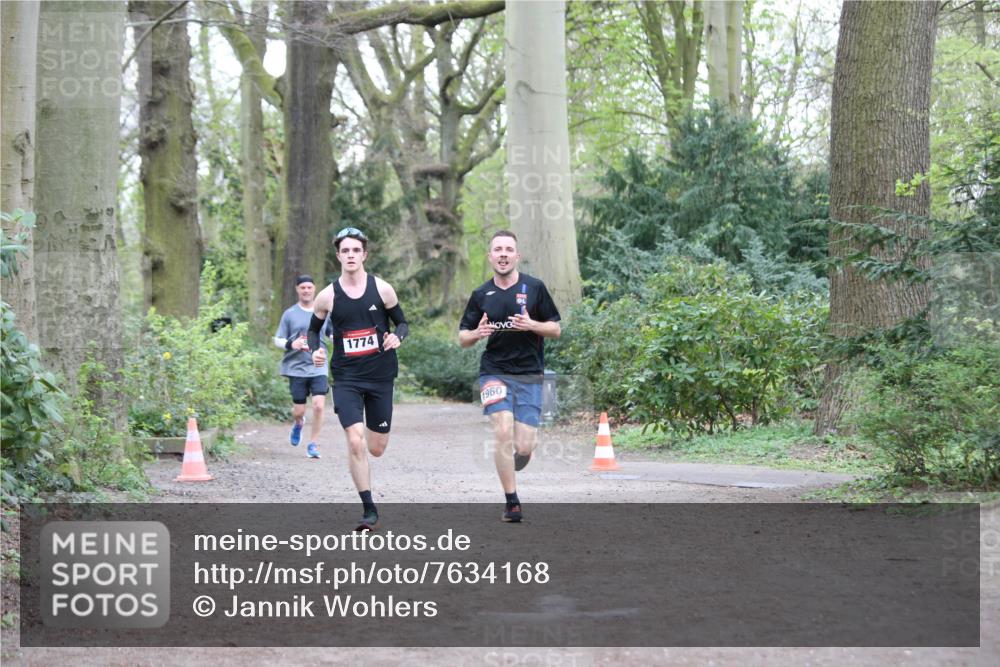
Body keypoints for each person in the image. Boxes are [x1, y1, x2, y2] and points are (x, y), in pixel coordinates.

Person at [309, 227, 409, 531]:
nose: (350, 255)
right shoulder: (327, 296)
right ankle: (369, 509)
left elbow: (402, 323)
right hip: (347, 378)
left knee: (376, 448)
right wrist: (316, 350)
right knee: (355, 441)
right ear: (338, 256)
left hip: (380, 377)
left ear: (364, 255)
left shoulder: (382, 289)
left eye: (356, 251)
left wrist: (397, 337)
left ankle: (365, 446)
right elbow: (314, 331)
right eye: (345, 251)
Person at [459, 230, 561, 523]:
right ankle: (511, 501)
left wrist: (532, 324)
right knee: (502, 429)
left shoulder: (535, 288)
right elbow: (463, 337)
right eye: (497, 249)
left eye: (508, 249)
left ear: (517, 256)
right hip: (494, 372)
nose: (503, 254)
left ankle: (519, 456)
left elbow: (555, 329)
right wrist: (477, 334)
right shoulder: (481, 295)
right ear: (490, 256)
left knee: (525, 445)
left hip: (529, 374)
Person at [274, 275, 331, 459]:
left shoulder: (323, 311)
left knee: (319, 406)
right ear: (297, 290)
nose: (306, 290)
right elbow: (277, 339)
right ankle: (298, 424)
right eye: (302, 287)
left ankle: (313, 444)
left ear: (314, 289)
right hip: (296, 367)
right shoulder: (289, 314)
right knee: (299, 411)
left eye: (309, 287)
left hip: (318, 365)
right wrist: (292, 345)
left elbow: (332, 334)